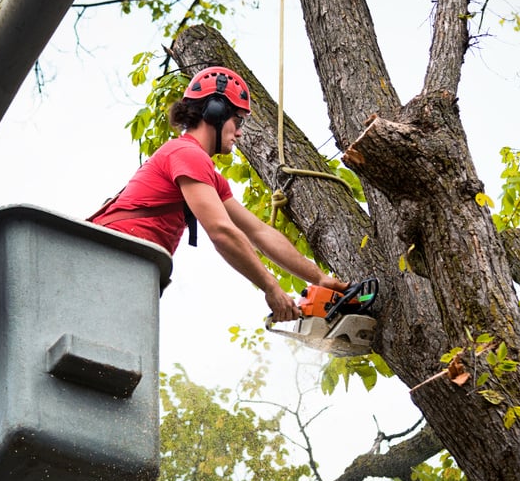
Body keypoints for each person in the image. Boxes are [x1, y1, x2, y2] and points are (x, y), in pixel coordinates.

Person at [90, 65, 347, 322]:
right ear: (215, 112)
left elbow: (259, 232)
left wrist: (319, 278)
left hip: (126, 266)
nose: (239, 132)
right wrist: (271, 287)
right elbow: (221, 232)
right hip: (106, 259)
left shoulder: (207, 175)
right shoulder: (187, 154)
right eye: (237, 121)